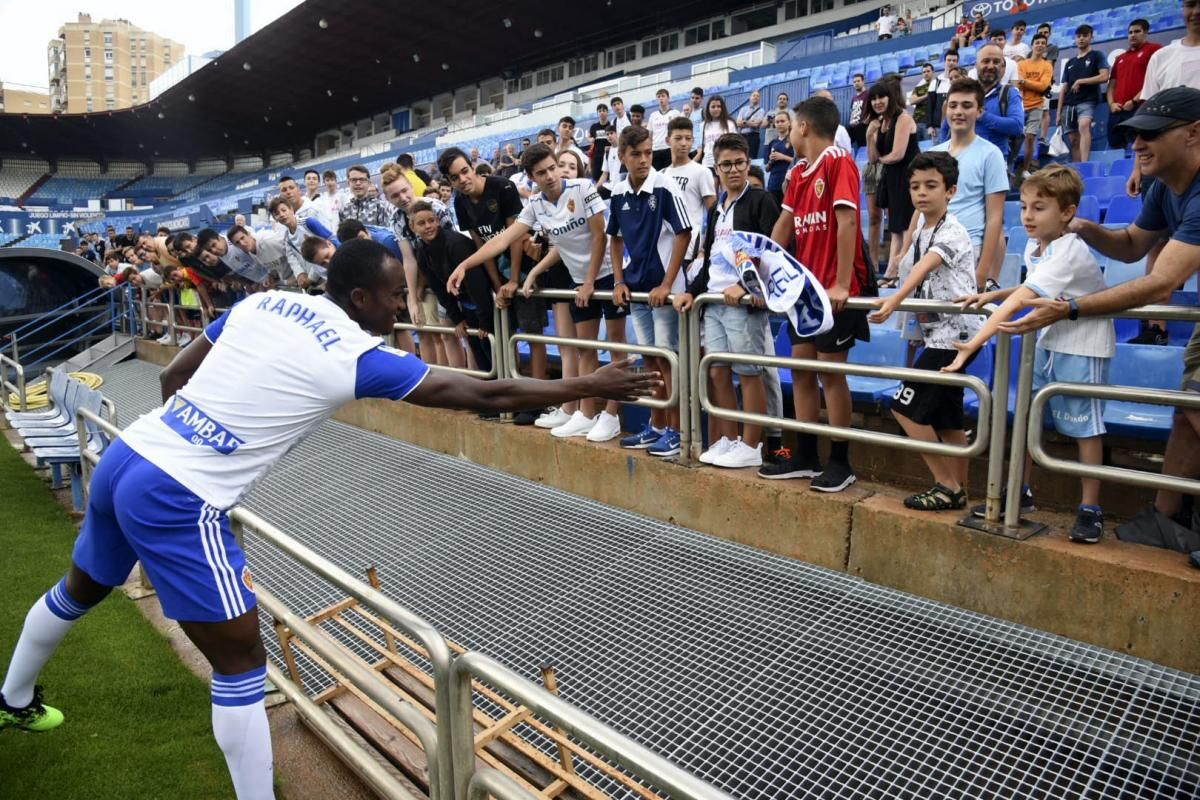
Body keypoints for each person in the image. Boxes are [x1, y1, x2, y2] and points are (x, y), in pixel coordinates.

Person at [0, 239, 657, 800]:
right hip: (175, 496)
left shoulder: (263, 302)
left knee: (79, 590)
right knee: (241, 665)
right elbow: (485, 392)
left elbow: (174, 375)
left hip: (131, 454)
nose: (402, 304)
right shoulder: (356, 355)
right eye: (395, 293)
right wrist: (583, 383)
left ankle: (14, 699)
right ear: (362, 299)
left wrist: (190, 452)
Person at [1002, 88, 1200, 549]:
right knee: (1188, 416)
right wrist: (1087, 228)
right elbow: (1132, 245)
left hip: (1087, 332)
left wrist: (1070, 307)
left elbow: (1159, 283)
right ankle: (1164, 519)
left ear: (1194, 134)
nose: (1138, 145)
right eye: (1134, 135)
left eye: (1152, 134)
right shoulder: (1164, 187)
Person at [946, 165, 1113, 542]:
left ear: (1067, 213)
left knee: (1086, 428)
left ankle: (1091, 509)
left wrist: (975, 343)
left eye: (1039, 208)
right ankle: (1018, 494)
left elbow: (1026, 298)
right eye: (1023, 207)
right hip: (1048, 340)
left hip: (1081, 347)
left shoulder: (1070, 249)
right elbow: (1028, 287)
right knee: (1026, 416)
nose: (1027, 216)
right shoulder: (1038, 245)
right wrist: (991, 295)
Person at [766, 96, 871, 491]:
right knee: (802, 370)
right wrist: (763, 267)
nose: (789, 132)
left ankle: (841, 461)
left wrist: (842, 282)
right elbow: (785, 224)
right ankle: (806, 455)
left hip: (836, 290)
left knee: (831, 373)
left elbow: (846, 222)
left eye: (791, 125)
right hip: (805, 293)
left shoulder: (838, 161)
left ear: (804, 126)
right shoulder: (798, 172)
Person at [868, 151, 982, 510]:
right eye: (915, 186)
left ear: (950, 191)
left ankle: (945, 484)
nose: (921, 193)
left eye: (931, 185)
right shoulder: (921, 230)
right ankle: (960, 491)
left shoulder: (953, 230)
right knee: (948, 421)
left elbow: (926, 267)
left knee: (904, 407)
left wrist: (893, 301)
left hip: (956, 336)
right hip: (936, 334)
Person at [674, 133, 781, 469]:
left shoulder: (761, 200)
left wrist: (743, 285)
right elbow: (710, 260)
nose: (733, 170)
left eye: (739, 163)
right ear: (716, 169)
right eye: (726, 165)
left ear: (748, 164)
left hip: (742, 303)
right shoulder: (717, 209)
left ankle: (752, 444)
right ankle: (729, 439)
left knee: (749, 373)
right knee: (718, 373)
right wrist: (693, 289)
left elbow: (771, 250)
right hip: (714, 301)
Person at [439, 146, 549, 421]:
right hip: (498, 276)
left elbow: (515, 236)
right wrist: (495, 284)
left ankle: (539, 400)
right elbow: (481, 243)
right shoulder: (460, 203)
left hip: (524, 269)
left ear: (473, 167)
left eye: (465, 171)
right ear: (449, 182)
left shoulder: (503, 187)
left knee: (532, 335)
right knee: (507, 336)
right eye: (455, 177)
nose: (463, 179)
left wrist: (512, 279)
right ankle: (514, 394)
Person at [607, 125, 692, 456]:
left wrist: (668, 283)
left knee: (667, 360)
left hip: (665, 290)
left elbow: (683, 234)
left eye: (647, 153)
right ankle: (657, 426)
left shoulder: (665, 185)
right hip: (637, 288)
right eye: (636, 154)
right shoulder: (616, 192)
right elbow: (613, 238)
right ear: (622, 156)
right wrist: (618, 279)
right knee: (650, 360)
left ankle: (677, 430)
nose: (644, 160)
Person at [931, 78, 1008, 290]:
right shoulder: (934, 154)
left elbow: (995, 218)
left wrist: (982, 271)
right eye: (953, 105)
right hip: (930, 248)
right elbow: (920, 210)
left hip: (967, 248)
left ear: (979, 111)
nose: (959, 112)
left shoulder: (991, 154)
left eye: (967, 106)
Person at [869, 79, 920, 285]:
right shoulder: (881, 122)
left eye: (881, 97)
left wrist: (881, 160)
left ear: (890, 97)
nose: (877, 102)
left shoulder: (903, 118)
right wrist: (869, 135)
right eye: (873, 98)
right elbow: (872, 158)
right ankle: (892, 271)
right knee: (896, 228)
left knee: (907, 225)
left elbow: (897, 154)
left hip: (908, 177)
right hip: (891, 177)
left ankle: (902, 271)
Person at [664, 117, 718, 291]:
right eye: (678, 138)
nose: (684, 143)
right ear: (667, 140)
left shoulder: (701, 172)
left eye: (688, 138)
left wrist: (704, 249)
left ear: (693, 141)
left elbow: (714, 213)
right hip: (664, 251)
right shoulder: (661, 174)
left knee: (685, 308)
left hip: (689, 249)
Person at [945, 45, 1024, 162]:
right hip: (961, 162)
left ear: (1003, 67)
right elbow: (945, 127)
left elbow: (1017, 126)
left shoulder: (1009, 94)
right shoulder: (964, 92)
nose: (991, 66)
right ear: (976, 65)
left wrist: (983, 116)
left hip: (995, 164)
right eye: (986, 61)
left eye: (996, 62)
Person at [1108, 19, 1164, 151]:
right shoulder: (1121, 57)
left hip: (1140, 108)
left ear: (1146, 33)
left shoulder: (1154, 50)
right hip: (1117, 111)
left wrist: (1134, 101)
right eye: (1130, 32)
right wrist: (1111, 104)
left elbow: (1155, 79)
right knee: (1115, 146)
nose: (1132, 35)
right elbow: (1112, 85)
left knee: (1142, 145)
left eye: (1137, 31)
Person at [1058, 25, 1110, 163]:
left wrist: (1081, 81)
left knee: (1084, 125)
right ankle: (1077, 169)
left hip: (1087, 100)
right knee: (1074, 140)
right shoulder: (1070, 62)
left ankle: (1085, 164)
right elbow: (1064, 88)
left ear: (1091, 37)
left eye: (1085, 35)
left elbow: (1104, 76)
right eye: (1078, 36)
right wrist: (1058, 113)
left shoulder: (1097, 55)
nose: (1081, 38)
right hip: (1069, 104)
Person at [1017, 34, 1055, 176]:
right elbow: (1017, 83)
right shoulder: (1021, 64)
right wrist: (1034, 85)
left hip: (1037, 105)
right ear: (1032, 45)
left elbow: (1044, 86)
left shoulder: (1047, 66)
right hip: (1020, 105)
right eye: (1037, 42)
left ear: (1045, 47)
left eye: (1043, 43)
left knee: (1030, 137)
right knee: (1015, 137)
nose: (1040, 45)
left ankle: (1025, 170)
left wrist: (1025, 82)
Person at [696, 95, 738, 169]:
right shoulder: (703, 125)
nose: (716, 109)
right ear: (708, 109)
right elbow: (701, 147)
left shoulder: (730, 123)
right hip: (708, 164)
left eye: (719, 106)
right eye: (713, 106)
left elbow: (736, 145)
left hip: (725, 163)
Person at [647, 89, 682, 171]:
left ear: (668, 98)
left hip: (669, 148)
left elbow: (680, 132)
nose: (661, 99)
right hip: (656, 150)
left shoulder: (675, 113)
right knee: (657, 175)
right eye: (658, 97)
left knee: (671, 173)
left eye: (663, 96)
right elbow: (650, 135)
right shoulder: (653, 115)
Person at [766, 111, 795, 206]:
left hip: (788, 184)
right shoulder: (772, 143)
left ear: (789, 122)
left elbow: (800, 161)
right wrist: (770, 161)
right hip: (773, 184)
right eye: (777, 122)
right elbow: (766, 169)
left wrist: (783, 157)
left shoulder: (794, 140)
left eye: (782, 121)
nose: (779, 124)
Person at [735, 90, 767, 162]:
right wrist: (750, 122)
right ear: (750, 97)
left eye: (757, 96)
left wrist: (744, 121)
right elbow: (738, 123)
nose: (755, 97)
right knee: (741, 157)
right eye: (754, 95)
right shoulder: (743, 109)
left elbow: (756, 125)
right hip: (742, 136)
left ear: (759, 99)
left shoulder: (761, 110)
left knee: (752, 159)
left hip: (753, 137)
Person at [588, 104, 615, 183]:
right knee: (596, 180)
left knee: (610, 179)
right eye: (599, 111)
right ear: (597, 113)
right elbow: (590, 139)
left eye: (604, 111)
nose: (602, 113)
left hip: (609, 156)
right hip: (597, 158)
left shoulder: (611, 125)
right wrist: (590, 139)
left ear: (607, 112)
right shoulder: (594, 126)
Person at [848, 74, 870, 149]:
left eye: (858, 81)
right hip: (852, 126)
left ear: (863, 82)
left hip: (862, 127)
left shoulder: (868, 94)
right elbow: (852, 110)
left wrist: (866, 121)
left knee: (863, 148)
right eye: (854, 82)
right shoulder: (854, 97)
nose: (856, 83)